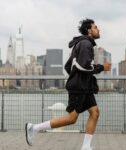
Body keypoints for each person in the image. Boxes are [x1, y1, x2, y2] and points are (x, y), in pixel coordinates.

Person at [25, 18, 111, 150]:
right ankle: (34, 128)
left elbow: (68, 66)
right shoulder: (85, 44)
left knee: (95, 113)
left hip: (84, 87)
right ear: (89, 31)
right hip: (79, 88)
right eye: (95, 27)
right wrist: (101, 68)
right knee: (71, 118)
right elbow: (83, 66)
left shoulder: (82, 44)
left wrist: (77, 77)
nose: (98, 29)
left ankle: (86, 147)